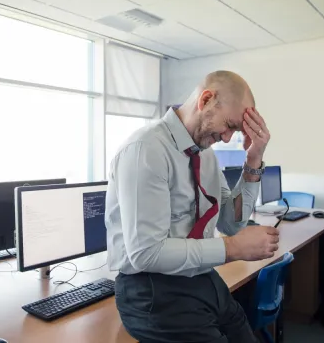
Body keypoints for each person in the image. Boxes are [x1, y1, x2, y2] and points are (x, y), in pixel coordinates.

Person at [105, 70, 279, 343]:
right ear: (206, 99)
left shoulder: (205, 155)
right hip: (150, 289)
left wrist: (254, 160)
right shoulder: (146, 149)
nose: (226, 138)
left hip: (199, 276)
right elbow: (146, 253)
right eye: (229, 125)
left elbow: (230, 222)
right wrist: (233, 248)